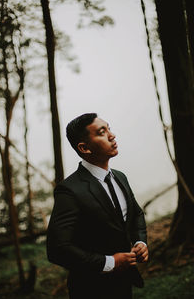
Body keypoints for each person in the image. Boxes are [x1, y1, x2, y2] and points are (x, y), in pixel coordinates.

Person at [47, 113, 148, 299]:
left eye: (109, 128)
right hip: (91, 288)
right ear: (84, 148)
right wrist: (109, 262)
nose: (112, 135)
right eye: (102, 132)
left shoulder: (120, 177)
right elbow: (57, 248)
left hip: (125, 283)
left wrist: (140, 242)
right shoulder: (69, 190)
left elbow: (136, 215)